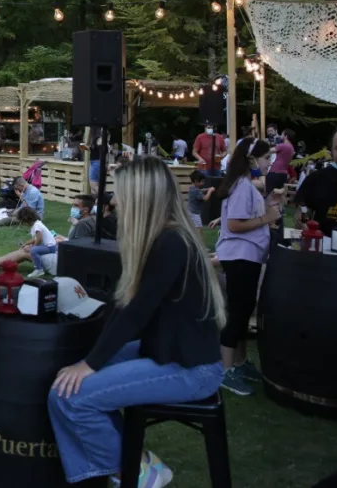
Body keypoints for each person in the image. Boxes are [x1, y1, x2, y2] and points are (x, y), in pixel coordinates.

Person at [47, 156, 225, 487]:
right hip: (166, 354)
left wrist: (90, 364)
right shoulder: (162, 240)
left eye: (118, 193)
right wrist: (91, 353)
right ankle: (123, 465)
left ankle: (133, 470)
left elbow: (137, 313)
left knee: (68, 396)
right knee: (70, 382)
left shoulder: (171, 243)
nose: (113, 201)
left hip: (192, 370)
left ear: (141, 197)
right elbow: (124, 306)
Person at [214, 138, 283, 397]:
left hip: (249, 256)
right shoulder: (242, 186)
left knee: (243, 312)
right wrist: (267, 217)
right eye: (266, 158)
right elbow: (234, 225)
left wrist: (271, 204)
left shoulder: (246, 187)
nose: (270, 163)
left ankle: (240, 363)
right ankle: (226, 369)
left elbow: (252, 216)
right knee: (238, 312)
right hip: (240, 256)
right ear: (252, 159)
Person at [0, 206, 59, 273]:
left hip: (56, 260)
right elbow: (37, 238)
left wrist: (31, 247)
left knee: (25, 252)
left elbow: (39, 239)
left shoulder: (37, 225)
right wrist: (27, 244)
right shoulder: (38, 224)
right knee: (24, 249)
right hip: (56, 252)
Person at [266, 128, 295, 195]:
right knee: (277, 196)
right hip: (283, 174)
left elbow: (268, 151)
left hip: (275, 172)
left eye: (282, 134)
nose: (280, 136)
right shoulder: (292, 148)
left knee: (269, 194)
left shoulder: (283, 146)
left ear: (286, 136)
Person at [187, 170, 214, 238]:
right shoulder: (196, 190)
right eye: (202, 181)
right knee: (199, 229)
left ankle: (196, 243)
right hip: (194, 213)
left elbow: (200, 190)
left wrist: (207, 189)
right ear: (196, 181)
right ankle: (200, 245)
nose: (203, 183)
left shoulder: (193, 188)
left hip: (191, 212)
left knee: (196, 228)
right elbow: (205, 198)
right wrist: (210, 191)